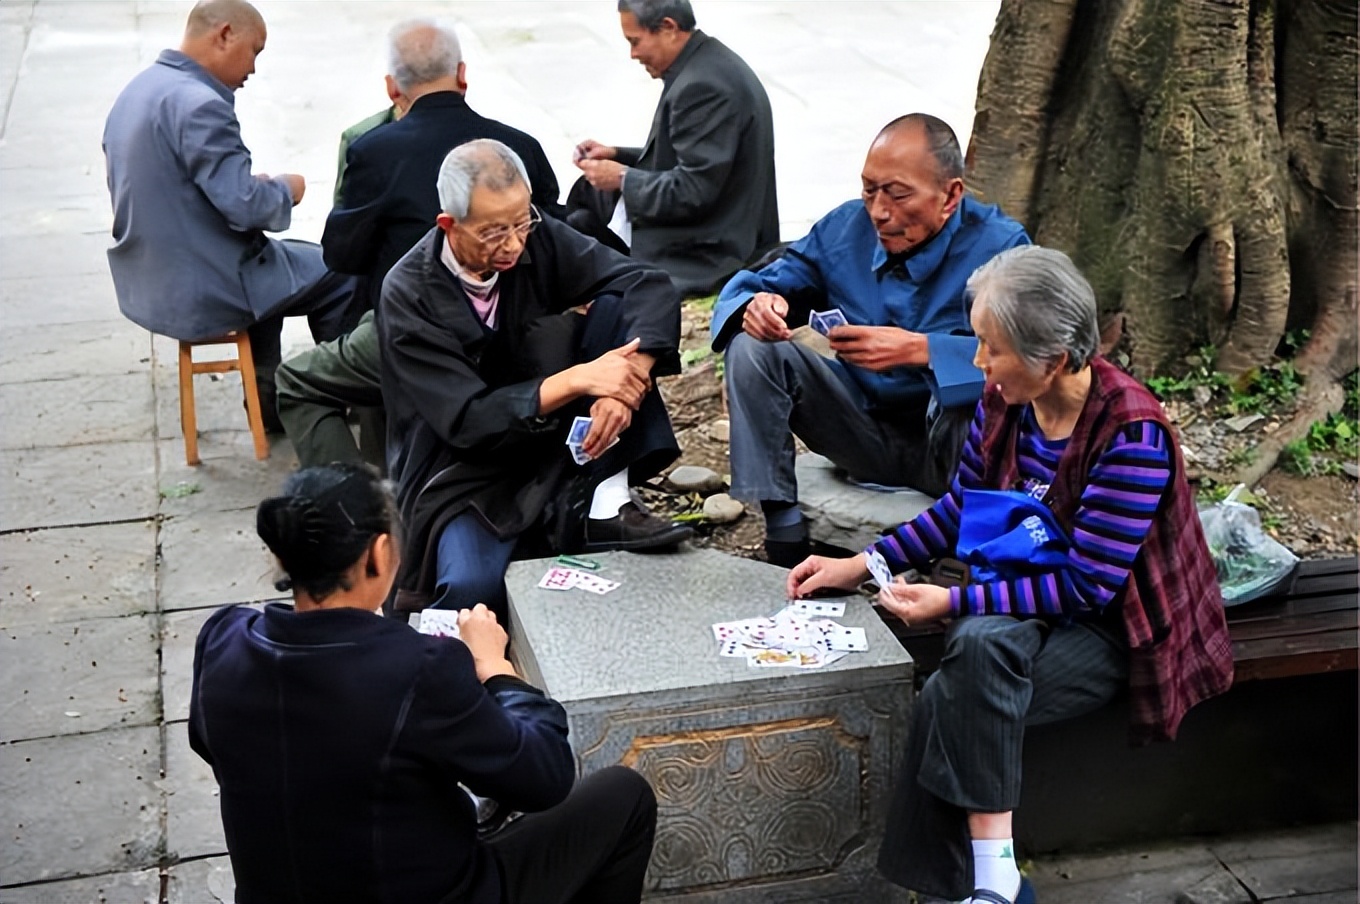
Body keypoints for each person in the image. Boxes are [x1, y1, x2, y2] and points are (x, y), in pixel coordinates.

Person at [786, 246, 1235, 904]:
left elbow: (1088, 587)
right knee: (981, 647)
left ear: (1052, 359)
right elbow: (963, 508)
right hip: (1025, 595)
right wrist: (863, 563)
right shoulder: (1005, 403)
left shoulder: (1130, 434)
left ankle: (976, 885)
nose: (977, 363)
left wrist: (952, 600)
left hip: (1118, 627)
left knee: (957, 681)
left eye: (990, 348)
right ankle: (993, 883)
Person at [189, 464, 658, 904]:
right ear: (378, 553)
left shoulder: (221, 641)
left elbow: (224, 745)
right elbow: (544, 777)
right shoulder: (416, 668)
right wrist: (497, 668)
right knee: (624, 797)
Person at [380, 139, 692, 619]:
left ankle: (605, 499)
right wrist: (581, 380)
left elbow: (643, 283)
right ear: (449, 225)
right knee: (469, 586)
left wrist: (627, 385)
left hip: (550, 435)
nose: (513, 244)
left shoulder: (537, 235)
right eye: (493, 232)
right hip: (461, 464)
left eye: (521, 222)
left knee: (615, 306)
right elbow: (468, 419)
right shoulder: (408, 292)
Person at [710, 113, 1030, 568]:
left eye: (898, 195)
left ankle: (967, 554)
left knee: (980, 394)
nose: (880, 211)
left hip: (954, 450)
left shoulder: (1003, 247)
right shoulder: (845, 229)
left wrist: (923, 351)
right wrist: (759, 307)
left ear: (950, 195)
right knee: (753, 347)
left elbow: (1030, 360)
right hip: (859, 429)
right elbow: (759, 286)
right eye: (869, 190)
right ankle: (782, 532)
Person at [276, 18, 562, 469]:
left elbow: (342, 254)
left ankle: (358, 514)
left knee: (295, 381)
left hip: (413, 333)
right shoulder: (518, 148)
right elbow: (556, 238)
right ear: (463, 75)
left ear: (393, 89)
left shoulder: (375, 150)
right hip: (516, 328)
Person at [102, 0, 359, 424]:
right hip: (203, 285)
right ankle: (337, 396)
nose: (253, 69)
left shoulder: (140, 88)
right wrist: (285, 189)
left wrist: (244, 187)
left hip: (151, 276)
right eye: (255, 51)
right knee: (339, 270)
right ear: (224, 35)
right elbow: (245, 207)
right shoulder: (200, 104)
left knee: (284, 266)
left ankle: (269, 403)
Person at [566, 0, 779, 296]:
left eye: (635, 42)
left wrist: (623, 178)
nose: (633, 54)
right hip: (717, 225)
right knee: (581, 213)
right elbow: (696, 156)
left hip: (710, 248)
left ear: (668, 28)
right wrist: (617, 155)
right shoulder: (706, 65)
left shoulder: (703, 85)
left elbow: (693, 190)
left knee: (576, 236)